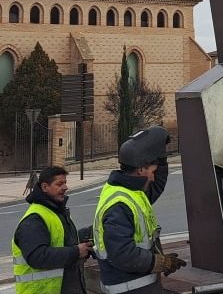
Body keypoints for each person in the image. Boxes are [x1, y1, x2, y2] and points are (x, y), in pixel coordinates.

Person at [93, 126, 186, 294]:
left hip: (140, 285)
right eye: (152, 172)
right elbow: (122, 254)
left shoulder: (131, 191)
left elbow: (155, 186)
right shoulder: (120, 204)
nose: (152, 177)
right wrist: (158, 262)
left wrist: (160, 155)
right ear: (141, 169)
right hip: (129, 287)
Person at [12, 165, 93, 294]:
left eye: (65, 183)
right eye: (59, 184)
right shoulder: (34, 219)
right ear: (45, 187)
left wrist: (87, 235)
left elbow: (63, 241)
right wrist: (76, 252)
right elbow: (37, 256)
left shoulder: (55, 212)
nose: (65, 187)